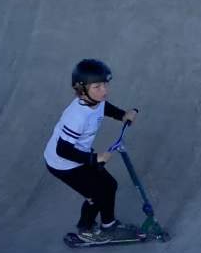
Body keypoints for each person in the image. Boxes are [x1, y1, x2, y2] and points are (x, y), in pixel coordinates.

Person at [44, 58, 140, 243]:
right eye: (97, 86)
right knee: (96, 194)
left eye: (105, 84)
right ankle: (85, 229)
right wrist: (93, 158)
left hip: (80, 156)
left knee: (109, 186)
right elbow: (63, 150)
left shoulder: (95, 101)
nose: (104, 90)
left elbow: (104, 108)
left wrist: (122, 115)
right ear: (81, 89)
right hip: (63, 163)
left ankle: (108, 225)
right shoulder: (76, 116)